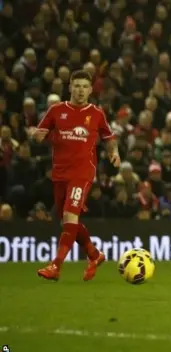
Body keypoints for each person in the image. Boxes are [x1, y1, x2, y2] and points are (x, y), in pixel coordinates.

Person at [28, 70, 121, 281]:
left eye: (85, 87)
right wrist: (36, 137)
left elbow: (109, 137)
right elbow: (39, 136)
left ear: (90, 90)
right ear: (70, 87)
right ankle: (95, 255)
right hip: (60, 173)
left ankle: (56, 265)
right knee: (68, 222)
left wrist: (114, 152)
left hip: (83, 172)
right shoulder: (56, 110)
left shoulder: (96, 113)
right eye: (77, 86)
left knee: (70, 216)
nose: (80, 90)